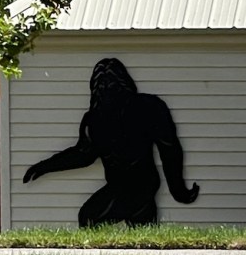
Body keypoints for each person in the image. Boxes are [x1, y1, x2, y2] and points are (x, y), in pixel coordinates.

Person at [22, 58, 199, 226]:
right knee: (129, 226)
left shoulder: (147, 107)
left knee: (90, 217)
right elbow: (83, 154)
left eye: (112, 85)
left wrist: (178, 189)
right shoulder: (95, 119)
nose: (108, 91)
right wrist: (44, 166)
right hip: (121, 185)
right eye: (103, 86)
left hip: (141, 183)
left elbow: (169, 149)